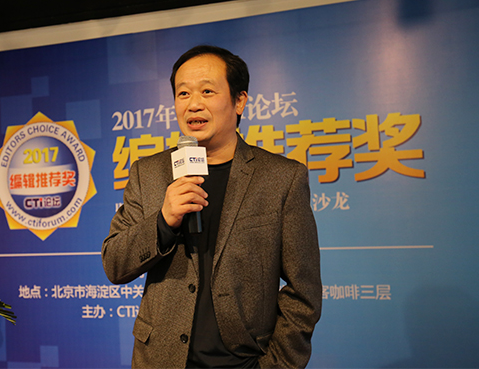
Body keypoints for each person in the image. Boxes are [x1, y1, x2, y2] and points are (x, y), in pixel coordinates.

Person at [102, 45, 322, 368]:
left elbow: (304, 290)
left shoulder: (282, 178)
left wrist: (275, 364)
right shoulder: (147, 173)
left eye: (207, 91)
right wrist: (163, 222)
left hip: (243, 361)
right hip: (159, 360)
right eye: (183, 93)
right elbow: (114, 263)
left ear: (239, 100)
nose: (193, 104)